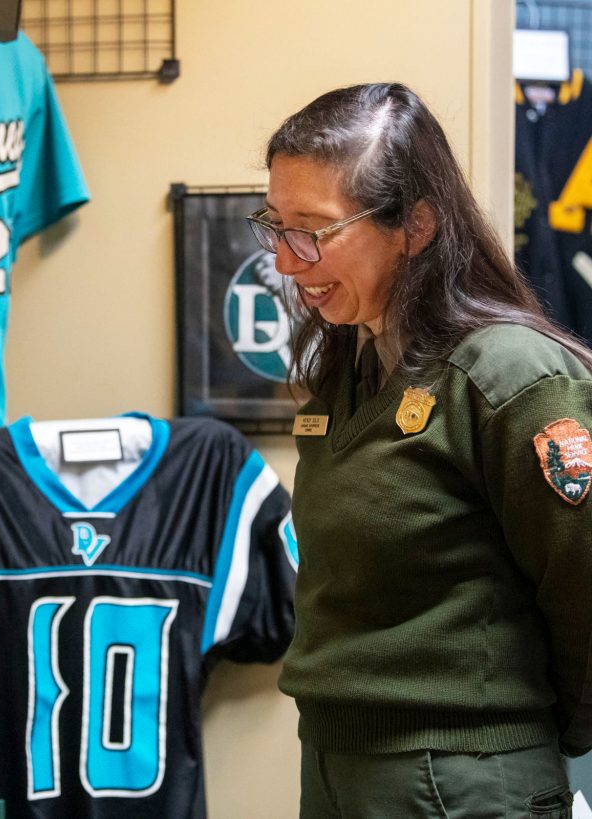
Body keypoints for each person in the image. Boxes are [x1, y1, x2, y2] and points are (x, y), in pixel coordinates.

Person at [248, 83, 592, 817]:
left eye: (311, 230)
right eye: (273, 225)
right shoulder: (354, 367)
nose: (284, 260)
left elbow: (583, 583)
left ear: (418, 225)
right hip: (342, 763)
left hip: (460, 777)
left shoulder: (508, 372)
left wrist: (504, 736)